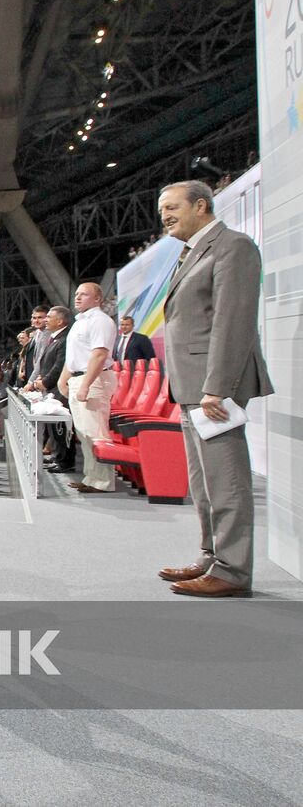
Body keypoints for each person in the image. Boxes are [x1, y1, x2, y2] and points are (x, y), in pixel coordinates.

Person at [156, 180, 272, 598]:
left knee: (226, 481)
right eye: (161, 209)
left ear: (201, 205)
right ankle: (211, 555)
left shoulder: (233, 247)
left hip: (213, 387)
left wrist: (217, 387)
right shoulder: (191, 253)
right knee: (203, 483)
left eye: (172, 207)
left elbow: (232, 321)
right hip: (191, 386)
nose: (164, 215)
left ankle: (233, 570)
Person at [58, 282, 118, 493]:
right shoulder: (79, 322)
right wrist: (63, 379)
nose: (77, 297)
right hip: (79, 379)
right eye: (76, 294)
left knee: (96, 431)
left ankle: (103, 482)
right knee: (84, 433)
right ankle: (91, 478)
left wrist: (86, 384)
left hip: (94, 380)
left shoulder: (101, 321)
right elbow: (74, 355)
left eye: (84, 294)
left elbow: (99, 354)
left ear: (97, 299)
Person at [34, 305, 76, 472]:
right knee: (54, 428)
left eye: (49, 317)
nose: (46, 319)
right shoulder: (55, 338)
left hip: (58, 389)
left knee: (60, 427)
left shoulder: (65, 339)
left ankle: (65, 461)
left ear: (59, 321)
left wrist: (44, 382)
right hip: (51, 389)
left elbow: (59, 367)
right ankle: (58, 457)